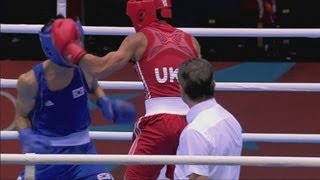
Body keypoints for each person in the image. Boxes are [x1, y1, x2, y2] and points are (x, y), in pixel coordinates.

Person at [48, 0, 201, 179]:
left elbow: (100, 68)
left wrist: (71, 50)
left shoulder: (139, 39)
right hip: (192, 122)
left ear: (142, 12)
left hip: (159, 124)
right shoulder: (191, 41)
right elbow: (202, 81)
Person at [15, 15, 136, 180]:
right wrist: (26, 135)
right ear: (53, 47)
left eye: (78, 40)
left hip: (83, 153)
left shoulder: (86, 68)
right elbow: (21, 115)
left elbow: (93, 88)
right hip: (46, 157)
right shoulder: (30, 81)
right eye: (71, 42)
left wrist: (104, 102)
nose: (77, 47)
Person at [174, 58, 243, 180]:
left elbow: (198, 177)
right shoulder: (230, 119)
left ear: (182, 89)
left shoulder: (195, 131)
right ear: (213, 84)